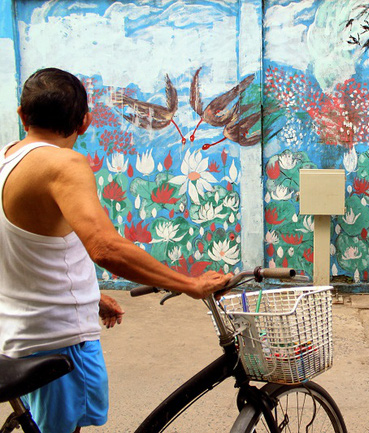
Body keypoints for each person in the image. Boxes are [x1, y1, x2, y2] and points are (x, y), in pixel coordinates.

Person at [0, 68, 232, 433]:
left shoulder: (7, 159)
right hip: (58, 342)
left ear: (22, 115)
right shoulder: (63, 164)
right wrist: (189, 284)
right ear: (85, 122)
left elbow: (25, 249)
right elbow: (105, 247)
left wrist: (88, 296)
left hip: (20, 334)